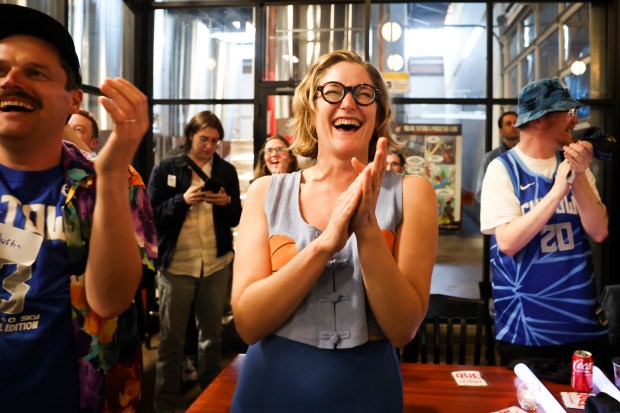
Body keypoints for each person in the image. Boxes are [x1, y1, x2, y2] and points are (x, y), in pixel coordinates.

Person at [230, 50, 438, 412]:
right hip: (269, 387)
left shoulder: (412, 194)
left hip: (367, 391)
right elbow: (247, 324)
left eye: (363, 93)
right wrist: (323, 246)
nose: (348, 102)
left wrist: (369, 232)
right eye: (333, 91)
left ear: (379, 114)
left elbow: (403, 328)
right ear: (311, 109)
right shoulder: (267, 192)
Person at [0, 4, 157, 413]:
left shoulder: (114, 179)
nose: (10, 80)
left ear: (73, 99)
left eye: (34, 72)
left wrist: (110, 172)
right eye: (0, 70)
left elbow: (109, 302)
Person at [480, 78, 609, 366]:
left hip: (583, 326)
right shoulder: (502, 169)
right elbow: (508, 242)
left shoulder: (576, 166)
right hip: (526, 331)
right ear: (539, 120)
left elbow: (599, 231)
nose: (574, 120)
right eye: (567, 112)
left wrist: (577, 176)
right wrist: (557, 192)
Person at [147, 110, 242, 413]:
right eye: (204, 139)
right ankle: (164, 405)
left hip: (215, 263)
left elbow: (237, 216)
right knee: (170, 343)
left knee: (211, 339)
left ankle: (210, 401)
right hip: (177, 266)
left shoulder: (225, 171)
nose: (210, 146)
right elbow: (149, 216)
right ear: (190, 136)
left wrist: (226, 204)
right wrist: (182, 201)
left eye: (215, 141)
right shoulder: (166, 168)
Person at [475, 111, 520, 202]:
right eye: (508, 123)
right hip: (502, 210)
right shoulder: (491, 158)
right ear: (501, 130)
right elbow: (481, 193)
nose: (513, 126)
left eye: (516, 123)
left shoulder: (530, 155)